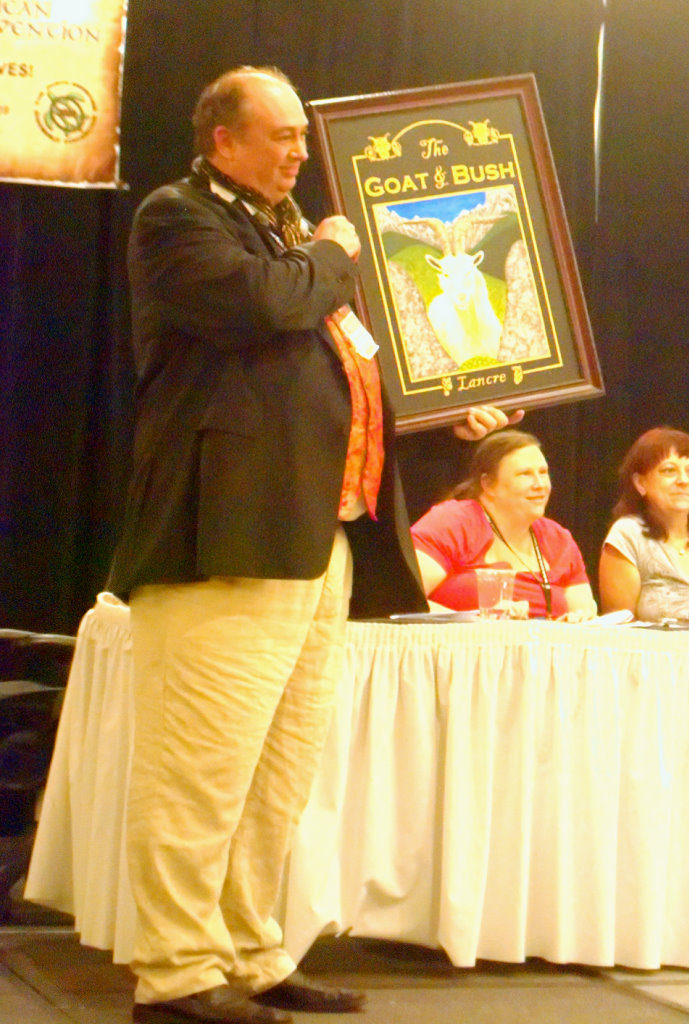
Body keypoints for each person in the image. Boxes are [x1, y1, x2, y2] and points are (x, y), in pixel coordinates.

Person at [106, 65, 520, 1024]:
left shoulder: (287, 235)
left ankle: (249, 953)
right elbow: (265, 306)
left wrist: (442, 417)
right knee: (199, 771)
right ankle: (176, 973)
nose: (301, 149)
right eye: (282, 134)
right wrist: (335, 251)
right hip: (225, 537)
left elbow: (329, 383)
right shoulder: (178, 218)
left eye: (301, 133)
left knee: (277, 773)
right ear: (223, 140)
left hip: (315, 535)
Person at [410, 430, 597, 620]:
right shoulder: (454, 521)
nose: (540, 484)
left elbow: (584, 614)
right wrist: (477, 622)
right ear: (488, 484)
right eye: (525, 474)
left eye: (543, 473)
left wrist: (579, 619)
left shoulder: (558, 538)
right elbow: (405, 600)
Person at [598, 426, 689, 621]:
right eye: (669, 471)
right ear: (640, 483)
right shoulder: (628, 536)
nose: (683, 480)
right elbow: (618, 627)